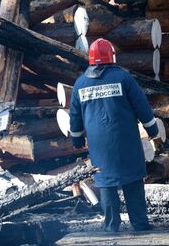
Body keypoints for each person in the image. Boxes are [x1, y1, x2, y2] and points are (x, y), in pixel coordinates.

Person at [69, 38, 159, 232]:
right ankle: (140, 224)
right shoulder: (123, 78)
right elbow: (141, 105)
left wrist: (76, 139)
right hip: (126, 139)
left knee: (106, 183)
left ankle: (111, 225)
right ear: (112, 56)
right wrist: (152, 129)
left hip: (98, 144)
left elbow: (75, 116)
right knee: (133, 179)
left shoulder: (80, 84)